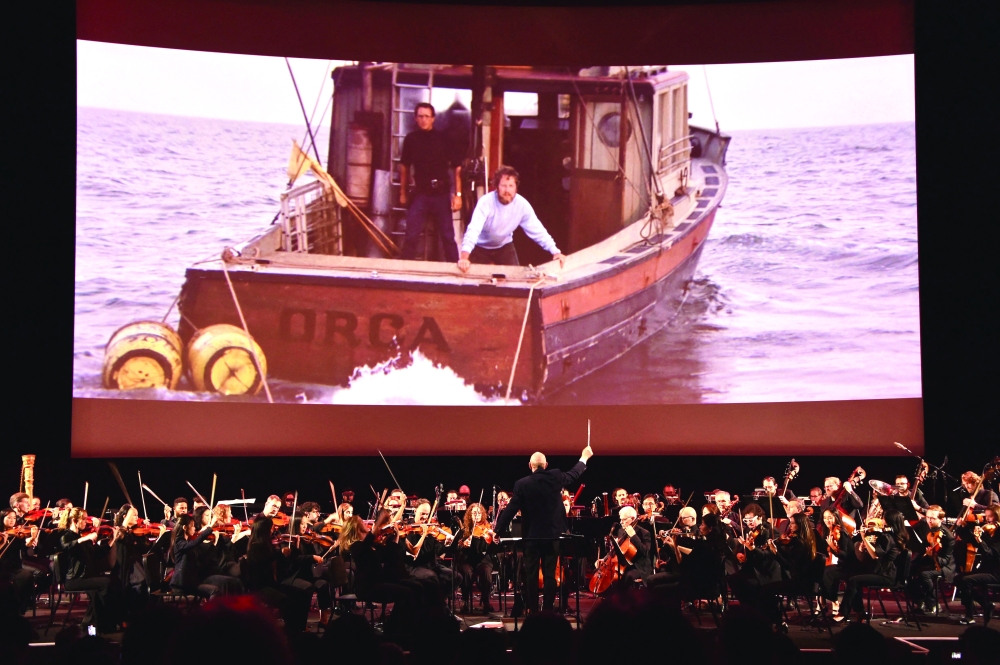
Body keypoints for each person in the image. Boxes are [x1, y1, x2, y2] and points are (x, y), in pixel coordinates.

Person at [495, 443, 593, 613]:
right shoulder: (554, 476)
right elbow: (573, 474)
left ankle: (533, 610)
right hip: (552, 536)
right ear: (546, 465)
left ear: (530, 466)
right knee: (550, 575)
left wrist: (497, 530)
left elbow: (510, 510)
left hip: (531, 537)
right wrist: (584, 457)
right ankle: (548, 610)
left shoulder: (521, 484)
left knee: (531, 576)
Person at [457, 166, 566, 272]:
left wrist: (555, 251)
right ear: (496, 187)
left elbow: (537, 230)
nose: (507, 190)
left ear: (516, 188)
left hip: (504, 247)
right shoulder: (485, 202)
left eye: (511, 186)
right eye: (503, 186)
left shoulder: (522, 205)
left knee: (515, 282)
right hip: (480, 247)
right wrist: (464, 257)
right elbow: (473, 229)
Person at [399, 102, 462, 262]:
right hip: (420, 194)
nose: (423, 120)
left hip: (441, 194)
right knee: (411, 236)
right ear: (415, 118)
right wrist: (403, 193)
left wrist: (458, 195)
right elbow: (404, 167)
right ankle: (403, 271)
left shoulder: (443, 138)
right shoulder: (411, 139)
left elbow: (457, 167)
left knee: (448, 237)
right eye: (420, 116)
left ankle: (457, 274)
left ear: (433, 119)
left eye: (427, 116)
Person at [956, 504, 999, 624]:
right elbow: (970, 541)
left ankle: (970, 615)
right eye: (986, 516)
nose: (987, 520)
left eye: (990, 517)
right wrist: (962, 528)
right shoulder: (988, 532)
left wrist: (980, 540)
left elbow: (990, 555)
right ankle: (986, 604)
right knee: (958, 578)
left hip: (996, 572)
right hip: (987, 569)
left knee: (966, 581)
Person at [909, 504, 956, 613]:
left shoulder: (948, 537)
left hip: (944, 567)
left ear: (941, 519)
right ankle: (920, 601)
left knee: (924, 574)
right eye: (927, 517)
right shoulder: (925, 526)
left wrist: (933, 555)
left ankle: (933, 603)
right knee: (906, 569)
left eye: (933, 518)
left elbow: (945, 561)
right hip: (928, 562)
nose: (929, 521)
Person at [456, 502, 496, 614]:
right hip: (467, 560)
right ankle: (465, 600)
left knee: (486, 571)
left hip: (482, 560)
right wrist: (463, 544)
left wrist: (488, 539)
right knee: (466, 572)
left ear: (483, 514)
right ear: (470, 515)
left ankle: (486, 601)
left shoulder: (486, 528)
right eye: (474, 513)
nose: (477, 514)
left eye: (479, 512)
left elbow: (491, 548)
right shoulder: (464, 529)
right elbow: (457, 548)